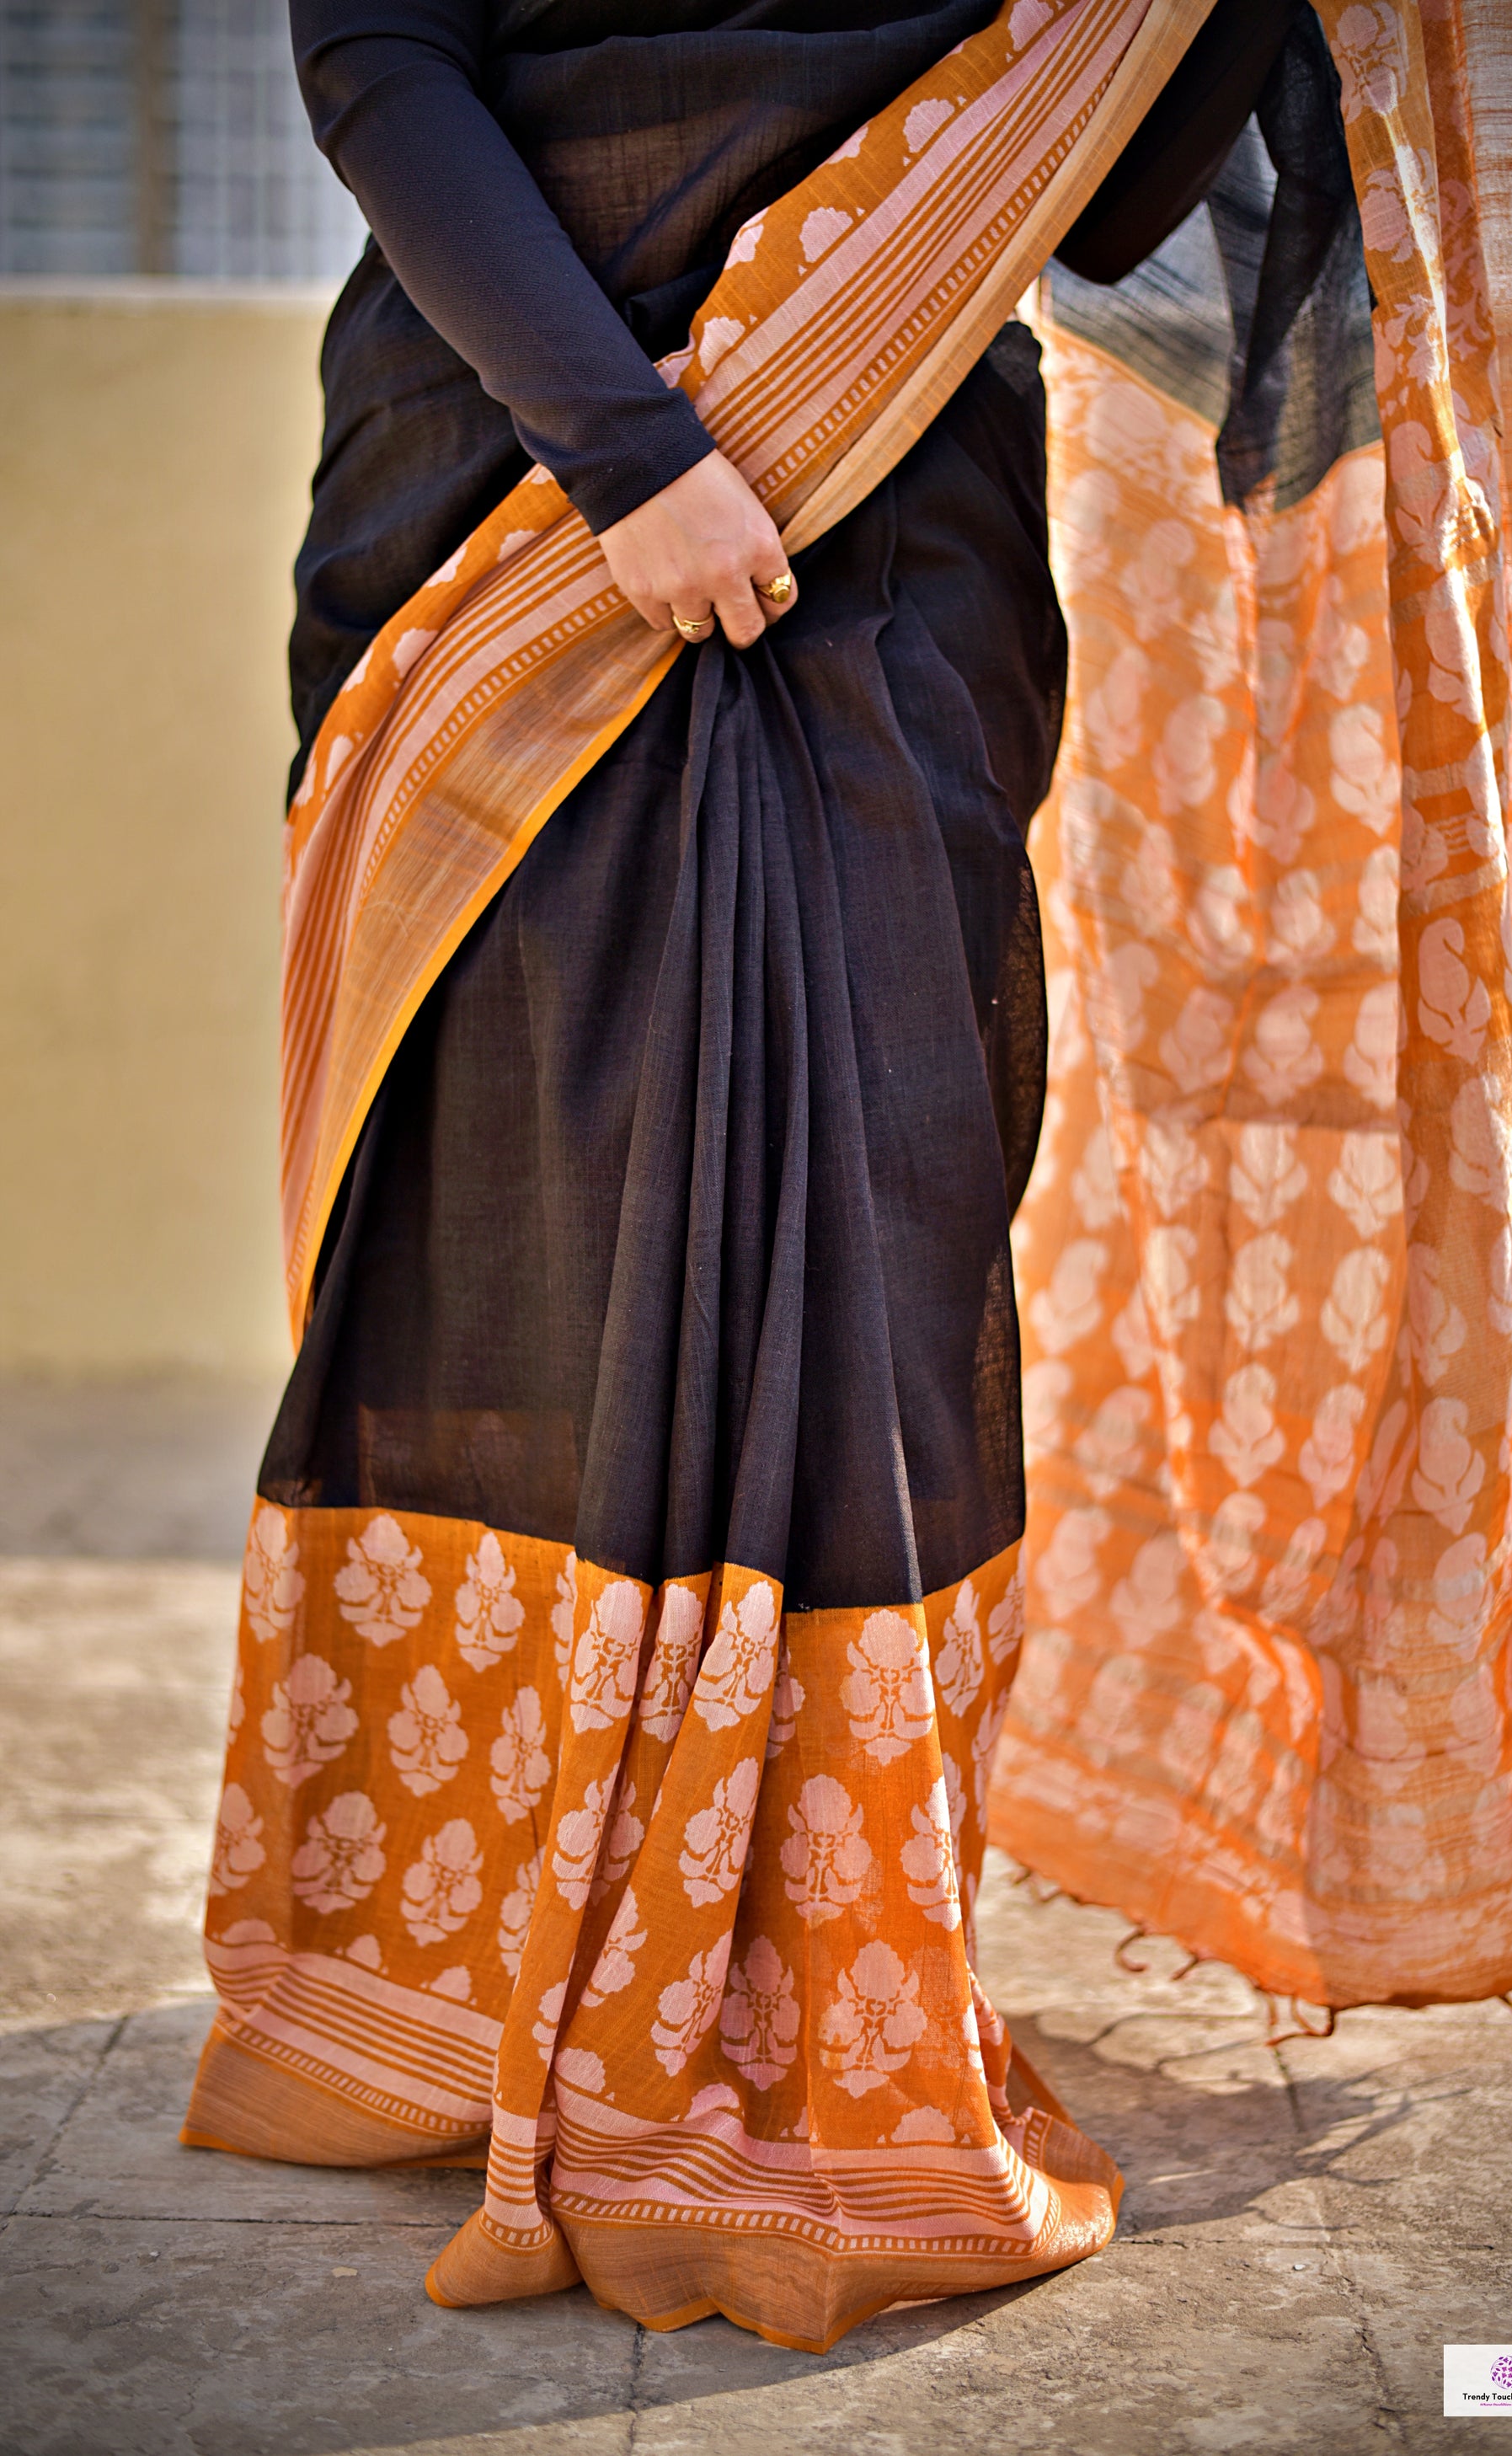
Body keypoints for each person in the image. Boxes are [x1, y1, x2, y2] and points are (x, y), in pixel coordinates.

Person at [184, 0, 1241, 2353]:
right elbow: (375, 51)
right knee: (518, 1237)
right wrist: (630, 448)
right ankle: (466, 1986)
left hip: (893, 536)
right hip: (522, 510)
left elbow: (1110, 174)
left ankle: (801, 1989)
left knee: (879, 1201)